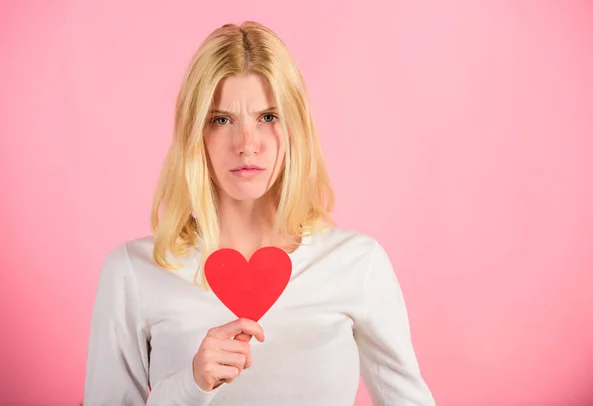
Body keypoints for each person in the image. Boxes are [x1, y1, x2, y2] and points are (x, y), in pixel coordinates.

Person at [83, 21, 436, 406]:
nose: (247, 144)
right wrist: (191, 383)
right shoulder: (131, 271)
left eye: (268, 117)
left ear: (295, 127)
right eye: (222, 120)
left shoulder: (358, 264)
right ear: (194, 133)